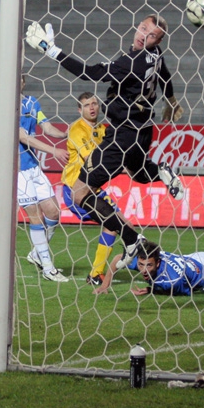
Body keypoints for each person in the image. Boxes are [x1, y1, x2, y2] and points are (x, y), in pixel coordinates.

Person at [26, 15, 184, 261]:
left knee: (79, 192)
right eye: (143, 28)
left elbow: (89, 73)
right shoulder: (156, 54)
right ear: (138, 26)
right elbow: (164, 74)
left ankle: (130, 239)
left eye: (151, 35)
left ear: (158, 39)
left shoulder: (130, 63)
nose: (143, 35)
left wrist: (51, 50)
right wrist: (171, 101)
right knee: (139, 174)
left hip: (123, 133)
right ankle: (161, 171)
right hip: (143, 130)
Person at [61, 91, 119, 287]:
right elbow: (92, 158)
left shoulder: (102, 129)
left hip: (91, 189)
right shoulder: (77, 129)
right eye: (87, 105)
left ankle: (96, 274)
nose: (92, 107)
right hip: (75, 190)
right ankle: (98, 273)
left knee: (114, 222)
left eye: (94, 103)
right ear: (80, 109)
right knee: (114, 221)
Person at [18, 75, 70, 282]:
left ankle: (36, 253)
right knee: (36, 217)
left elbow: (46, 127)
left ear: (22, 81)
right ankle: (48, 268)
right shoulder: (7, 106)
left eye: (19, 79)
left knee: (53, 212)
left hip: (32, 166)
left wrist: (66, 134)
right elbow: (22, 137)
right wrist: (54, 151)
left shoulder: (32, 102)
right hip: (18, 168)